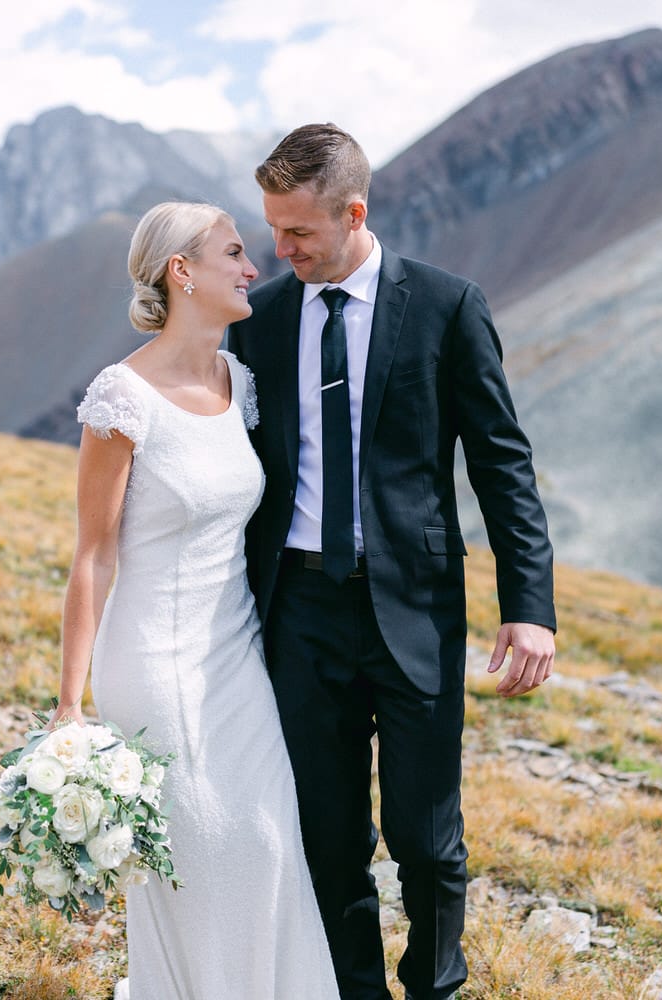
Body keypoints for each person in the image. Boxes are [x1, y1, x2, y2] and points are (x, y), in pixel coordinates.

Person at [228, 124, 557, 1000]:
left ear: (354, 213)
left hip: (413, 608)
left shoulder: (448, 307)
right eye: (272, 229)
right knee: (325, 836)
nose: (280, 249)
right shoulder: (258, 320)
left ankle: (436, 988)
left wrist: (529, 603)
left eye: (298, 232)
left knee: (427, 838)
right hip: (297, 611)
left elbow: (501, 462)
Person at [51, 201, 340, 999]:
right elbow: (93, 554)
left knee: (268, 844)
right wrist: (69, 706)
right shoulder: (122, 398)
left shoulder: (239, 382)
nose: (254, 268)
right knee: (204, 858)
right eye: (235, 252)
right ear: (182, 271)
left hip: (237, 665)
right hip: (154, 665)